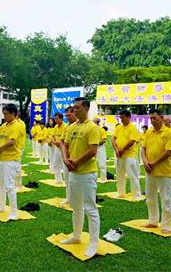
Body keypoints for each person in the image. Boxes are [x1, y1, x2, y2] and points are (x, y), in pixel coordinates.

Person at [60, 97, 101, 258]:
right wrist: (65, 158)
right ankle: (76, 236)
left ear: (85, 108)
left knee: (90, 208)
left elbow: (92, 150)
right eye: (73, 108)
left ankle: (93, 243)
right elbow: (65, 144)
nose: (74, 111)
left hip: (87, 173)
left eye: (77, 108)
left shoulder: (92, 128)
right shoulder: (72, 127)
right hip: (73, 172)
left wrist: (76, 161)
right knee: (76, 207)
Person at [141, 109, 171, 234]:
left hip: (163, 171)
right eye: (151, 118)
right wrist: (145, 162)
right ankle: (153, 221)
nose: (152, 121)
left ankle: (166, 225)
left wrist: (154, 163)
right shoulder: (149, 132)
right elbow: (143, 148)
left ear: (161, 118)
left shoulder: (169, 133)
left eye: (154, 118)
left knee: (166, 199)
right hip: (150, 171)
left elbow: (168, 151)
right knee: (150, 198)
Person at [0, 104, 23, 220]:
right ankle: (1, 206)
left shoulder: (16, 126)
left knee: (9, 186)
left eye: (6, 114)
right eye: (3, 113)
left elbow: (12, 142)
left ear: (13, 114)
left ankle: (14, 212)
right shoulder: (4, 125)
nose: (4, 116)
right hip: (2, 159)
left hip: (11, 159)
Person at [112, 110, 142, 200]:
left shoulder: (133, 128)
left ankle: (136, 195)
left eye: (123, 117)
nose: (121, 119)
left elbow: (132, 141)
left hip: (130, 155)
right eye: (120, 117)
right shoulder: (119, 127)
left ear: (129, 117)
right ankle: (120, 192)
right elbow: (113, 139)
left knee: (133, 175)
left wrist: (122, 150)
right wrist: (116, 150)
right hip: (119, 154)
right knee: (119, 174)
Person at [59, 106, 77, 205]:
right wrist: (64, 156)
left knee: (76, 181)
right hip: (66, 157)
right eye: (66, 116)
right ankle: (68, 198)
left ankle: (76, 200)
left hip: (76, 157)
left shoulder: (78, 125)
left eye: (69, 115)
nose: (68, 117)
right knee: (67, 179)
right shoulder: (67, 127)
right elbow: (62, 141)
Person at [51, 113, 67, 184]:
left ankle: (66, 180)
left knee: (65, 165)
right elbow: (53, 135)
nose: (55, 120)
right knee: (55, 164)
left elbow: (63, 138)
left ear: (61, 118)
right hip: (57, 148)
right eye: (55, 118)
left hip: (64, 149)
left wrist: (58, 143)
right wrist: (54, 142)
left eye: (56, 118)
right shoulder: (56, 126)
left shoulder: (65, 126)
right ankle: (59, 180)